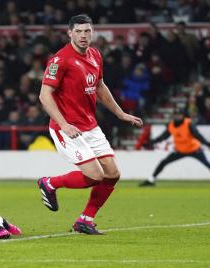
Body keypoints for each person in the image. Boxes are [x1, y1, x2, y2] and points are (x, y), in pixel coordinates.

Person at [36, 14, 143, 235]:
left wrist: (120, 113)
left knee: (112, 174)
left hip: (90, 126)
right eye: (79, 31)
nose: (83, 36)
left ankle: (85, 219)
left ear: (92, 32)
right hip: (67, 128)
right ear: (70, 33)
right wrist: (63, 124)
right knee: (95, 176)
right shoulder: (60, 59)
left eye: (87, 31)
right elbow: (45, 95)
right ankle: (50, 183)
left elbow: (100, 87)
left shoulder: (95, 55)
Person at [140, 109, 210, 187]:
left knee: (207, 163)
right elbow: (163, 137)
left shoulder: (188, 123)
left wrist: (207, 144)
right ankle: (151, 180)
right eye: (176, 115)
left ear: (182, 115)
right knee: (163, 162)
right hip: (180, 150)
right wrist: (151, 142)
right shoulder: (171, 125)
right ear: (174, 116)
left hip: (194, 149)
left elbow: (197, 135)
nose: (177, 116)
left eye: (179, 115)